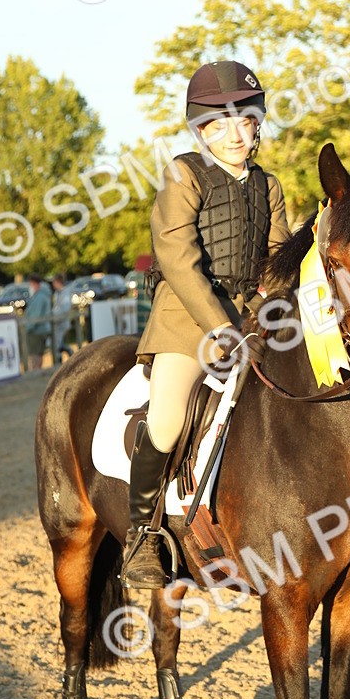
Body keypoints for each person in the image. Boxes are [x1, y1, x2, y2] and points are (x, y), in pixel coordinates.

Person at [121, 60, 290, 589]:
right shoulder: (183, 173)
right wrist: (221, 327)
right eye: (221, 126)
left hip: (250, 318)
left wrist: (273, 307)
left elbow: (279, 259)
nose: (236, 136)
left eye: (246, 123)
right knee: (169, 418)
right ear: (201, 130)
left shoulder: (271, 185)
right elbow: (178, 258)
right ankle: (142, 536)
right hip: (186, 321)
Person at [24, 275, 52, 370]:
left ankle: (36, 371)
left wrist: (26, 327)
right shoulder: (42, 295)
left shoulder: (39, 297)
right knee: (39, 354)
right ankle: (37, 370)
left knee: (35, 355)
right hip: (41, 330)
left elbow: (35, 316)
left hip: (36, 331)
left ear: (35, 284)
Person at [51, 274, 74, 361]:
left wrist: (54, 314)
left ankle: (61, 359)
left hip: (62, 321)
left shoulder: (65, 293)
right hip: (57, 321)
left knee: (56, 343)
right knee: (56, 342)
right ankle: (67, 352)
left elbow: (65, 308)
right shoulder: (57, 293)